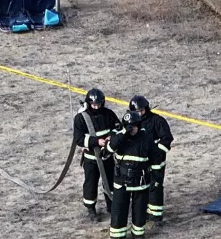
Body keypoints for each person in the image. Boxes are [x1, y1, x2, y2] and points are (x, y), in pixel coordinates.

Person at [106, 110, 157, 238]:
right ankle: (118, 235)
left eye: (133, 126)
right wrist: (124, 133)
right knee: (119, 210)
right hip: (122, 181)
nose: (131, 129)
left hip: (140, 181)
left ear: (138, 125)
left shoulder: (146, 137)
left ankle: (138, 234)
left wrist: (156, 178)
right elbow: (110, 148)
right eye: (129, 126)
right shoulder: (118, 135)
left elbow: (154, 158)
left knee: (140, 210)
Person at [73, 88, 120, 221]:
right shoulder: (81, 118)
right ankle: (91, 209)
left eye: (99, 104)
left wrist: (111, 137)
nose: (97, 107)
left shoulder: (109, 114)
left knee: (110, 182)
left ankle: (112, 206)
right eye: (94, 104)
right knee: (91, 183)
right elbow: (79, 139)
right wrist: (96, 141)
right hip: (91, 159)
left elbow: (117, 128)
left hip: (107, 156)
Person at [129, 95, 173, 222]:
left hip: (156, 163)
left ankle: (156, 215)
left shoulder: (157, 121)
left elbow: (167, 139)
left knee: (155, 186)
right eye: (137, 112)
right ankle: (144, 211)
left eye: (142, 110)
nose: (140, 114)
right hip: (141, 162)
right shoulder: (132, 123)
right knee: (142, 186)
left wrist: (156, 153)